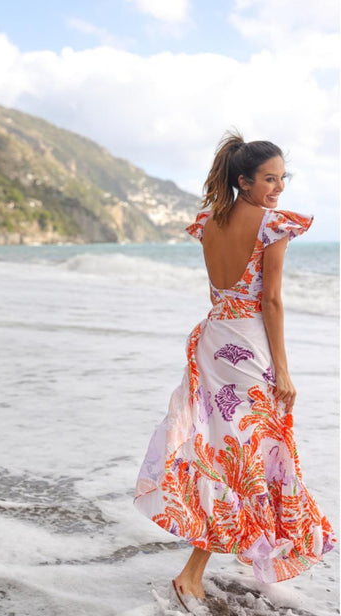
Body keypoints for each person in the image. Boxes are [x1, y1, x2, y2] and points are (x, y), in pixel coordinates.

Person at [133, 131, 336, 614]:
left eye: (283, 178)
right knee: (244, 458)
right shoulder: (272, 226)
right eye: (269, 179)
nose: (278, 187)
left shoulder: (209, 221)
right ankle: (192, 573)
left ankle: (222, 558)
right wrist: (283, 370)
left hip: (214, 340)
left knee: (222, 452)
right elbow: (271, 301)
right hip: (248, 349)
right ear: (244, 181)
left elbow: (217, 293)